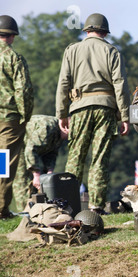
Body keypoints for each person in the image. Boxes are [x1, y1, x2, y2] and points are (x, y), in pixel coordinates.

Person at [55, 13, 131, 215]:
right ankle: (96, 207)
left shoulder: (72, 50)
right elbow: (120, 85)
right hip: (105, 109)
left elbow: (63, 83)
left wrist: (61, 113)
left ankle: (66, 205)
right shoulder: (112, 51)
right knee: (99, 158)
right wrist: (124, 116)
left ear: (87, 30)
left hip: (79, 108)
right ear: (104, 32)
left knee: (75, 157)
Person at [0, 15, 34, 219]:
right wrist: (25, 115)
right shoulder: (14, 58)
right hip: (8, 120)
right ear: (12, 36)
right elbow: (24, 90)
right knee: (3, 164)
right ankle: (1, 209)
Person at [13, 115, 68, 211]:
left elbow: (51, 153)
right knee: (21, 181)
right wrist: (36, 175)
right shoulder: (47, 128)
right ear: (66, 127)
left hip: (26, 147)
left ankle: (34, 211)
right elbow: (31, 149)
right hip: (14, 144)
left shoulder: (60, 134)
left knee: (38, 183)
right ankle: (24, 215)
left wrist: (49, 171)